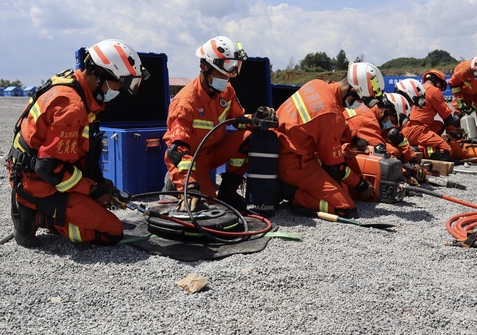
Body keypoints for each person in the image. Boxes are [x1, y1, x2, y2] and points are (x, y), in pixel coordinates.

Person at [6, 39, 150, 248]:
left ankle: (44, 210)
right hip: (36, 182)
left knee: (100, 207)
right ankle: (35, 216)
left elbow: (76, 153)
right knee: (112, 231)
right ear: (100, 75)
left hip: (40, 173)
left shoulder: (77, 91)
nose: (117, 92)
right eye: (118, 86)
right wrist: (92, 191)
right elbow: (49, 168)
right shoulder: (72, 107)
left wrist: (101, 186)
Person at [163, 36, 271, 212]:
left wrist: (257, 119)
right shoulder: (184, 103)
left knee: (250, 137)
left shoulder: (226, 91)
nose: (226, 79)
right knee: (208, 209)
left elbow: (238, 121)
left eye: (228, 75)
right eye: (221, 74)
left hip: (214, 151)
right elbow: (177, 152)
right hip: (191, 160)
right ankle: (176, 184)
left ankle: (228, 190)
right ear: (204, 67)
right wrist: (189, 187)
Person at [274, 62, 382, 218]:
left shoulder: (317, 84)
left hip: (283, 148)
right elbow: (335, 169)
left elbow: (329, 121)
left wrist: (354, 138)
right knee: (345, 207)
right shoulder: (331, 115)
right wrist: (361, 185)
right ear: (352, 90)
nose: (358, 105)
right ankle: (287, 191)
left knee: (339, 187)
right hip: (294, 163)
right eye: (359, 100)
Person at [400, 69, 459, 161]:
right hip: (418, 130)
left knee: (439, 126)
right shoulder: (434, 91)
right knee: (446, 151)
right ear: (439, 84)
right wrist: (453, 131)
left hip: (405, 128)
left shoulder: (417, 89)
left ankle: (418, 143)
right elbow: (447, 117)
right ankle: (418, 148)